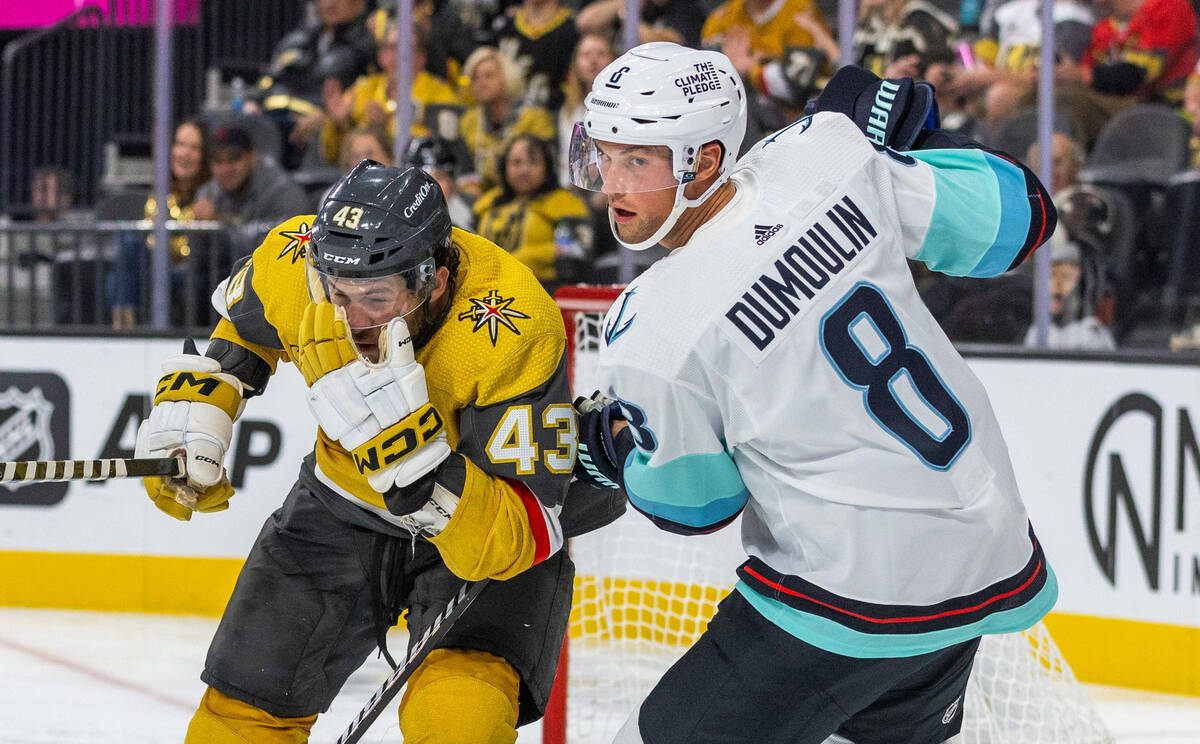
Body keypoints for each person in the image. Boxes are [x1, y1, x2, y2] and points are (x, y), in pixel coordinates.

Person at [566, 43, 1059, 743]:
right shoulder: (824, 150)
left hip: (850, 589)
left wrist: (615, 450)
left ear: (705, 161)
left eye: (637, 161)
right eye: (603, 156)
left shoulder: (652, 326)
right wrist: (914, 141)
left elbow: (695, 505)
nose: (610, 185)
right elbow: (1022, 219)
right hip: (982, 549)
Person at [133, 160, 580, 742]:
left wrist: (420, 471)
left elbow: (528, 531)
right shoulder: (298, 262)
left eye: (375, 296)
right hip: (339, 508)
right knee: (240, 719)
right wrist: (204, 406)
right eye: (338, 294)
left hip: (475, 534)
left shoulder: (512, 325)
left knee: (458, 718)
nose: (350, 320)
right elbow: (248, 329)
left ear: (434, 281)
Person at [112, 118, 212, 328]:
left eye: (194, 148)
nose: (184, 153)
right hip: (160, 265)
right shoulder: (162, 187)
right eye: (180, 144)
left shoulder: (212, 192)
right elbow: (152, 237)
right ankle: (124, 325)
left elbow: (192, 250)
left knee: (122, 275)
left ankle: (125, 328)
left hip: (194, 270)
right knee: (125, 244)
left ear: (204, 156)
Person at [474, 134, 590, 286]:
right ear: (504, 166)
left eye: (533, 162)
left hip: (545, 289)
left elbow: (576, 252)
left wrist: (522, 259)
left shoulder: (566, 203)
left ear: (547, 167)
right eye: (516, 163)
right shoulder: (487, 203)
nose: (524, 170)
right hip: (487, 288)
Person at [193, 124, 310, 259]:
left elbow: (280, 247)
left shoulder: (283, 191)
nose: (225, 169)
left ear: (252, 157)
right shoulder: (208, 194)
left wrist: (220, 225)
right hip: (224, 276)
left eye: (234, 158)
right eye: (217, 161)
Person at [459, 47, 556, 195]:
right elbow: (466, 172)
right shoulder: (468, 122)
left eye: (489, 76)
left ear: (506, 77)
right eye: (475, 78)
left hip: (533, 197)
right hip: (485, 200)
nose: (481, 83)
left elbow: (546, 170)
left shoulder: (534, 118)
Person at [1022, 232, 1116, 350]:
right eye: (1051, 276)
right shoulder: (1036, 333)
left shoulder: (1091, 335)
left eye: (1066, 277)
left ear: (1081, 285)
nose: (1057, 285)